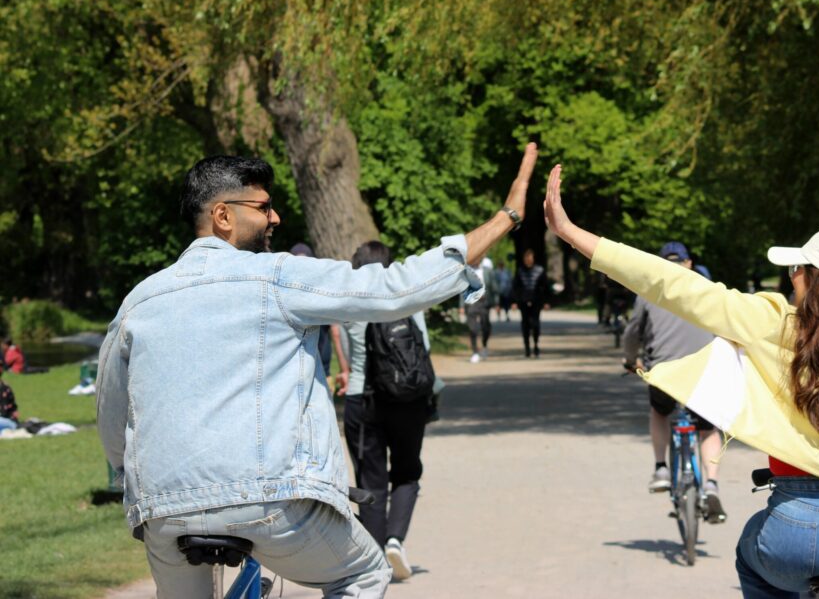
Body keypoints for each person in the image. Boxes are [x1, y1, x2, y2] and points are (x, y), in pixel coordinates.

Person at [96, 145, 537, 598]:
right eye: (264, 207)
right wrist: (506, 218)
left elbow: (113, 414)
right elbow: (396, 288)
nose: (275, 218)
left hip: (164, 510)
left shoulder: (139, 301)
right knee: (363, 574)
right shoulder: (278, 276)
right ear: (223, 215)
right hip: (268, 500)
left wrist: (127, 473)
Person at [543, 164, 819, 599]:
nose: (790, 275)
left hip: (793, 536)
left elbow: (671, 284)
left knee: (751, 558)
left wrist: (571, 233)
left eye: (798, 268)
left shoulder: (771, 324)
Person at [337, 240, 436, 581]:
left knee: (370, 482)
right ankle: (396, 540)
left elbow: (349, 356)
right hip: (407, 401)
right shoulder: (404, 295)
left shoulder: (348, 302)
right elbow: (424, 345)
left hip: (361, 401)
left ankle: (375, 557)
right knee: (407, 473)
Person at [622, 241, 726, 523]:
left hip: (665, 372)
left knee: (660, 411)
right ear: (688, 263)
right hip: (704, 372)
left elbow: (633, 334)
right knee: (708, 429)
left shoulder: (649, 292)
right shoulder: (708, 289)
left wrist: (631, 361)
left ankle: (660, 469)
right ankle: (711, 485)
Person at [290, 242, 347, 380]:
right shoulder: (321, 291)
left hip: (297, 365)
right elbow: (335, 331)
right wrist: (344, 367)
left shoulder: (286, 292)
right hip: (321, 360)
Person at [512, 248, 548, 357]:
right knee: (525, 325)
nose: (528, 260)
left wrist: (546, 302)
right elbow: (515, 287)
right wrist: (514, 301)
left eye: (530, 258)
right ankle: (527, 348)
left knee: (535, 324)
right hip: (523, 301)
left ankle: (536, 345)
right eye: (526, 258)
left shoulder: (539, 271)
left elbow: (545, 287)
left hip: (536, 301)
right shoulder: (520, 271)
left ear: (533, 259)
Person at [463, 255, 495, 362]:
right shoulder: (467, 271)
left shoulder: (487, 271)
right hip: (471, 302)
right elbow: (462, 288)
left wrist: (496, 302)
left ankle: (484, 345)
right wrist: (460, 306)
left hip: (484, 302)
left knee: (485, 327)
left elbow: (493, 287)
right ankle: (475, 352)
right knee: (472, 328)